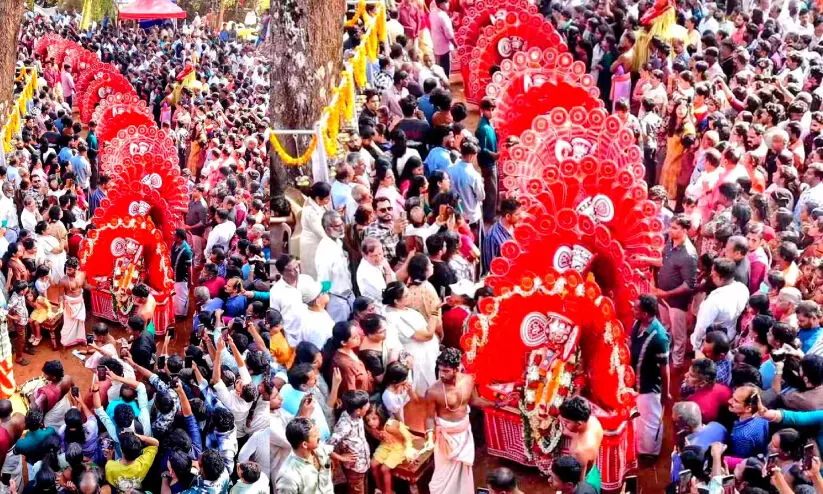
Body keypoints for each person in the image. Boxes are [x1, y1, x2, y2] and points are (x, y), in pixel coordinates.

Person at [425, 347, 487, 494]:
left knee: (463, 470)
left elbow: (475, 400)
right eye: (440, 370)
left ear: (457, 368)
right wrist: (429, 435)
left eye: (446, 371)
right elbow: (428, 417)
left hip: (464, 433)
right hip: (445, 439)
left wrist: (495, 404)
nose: (441, 375)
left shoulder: (469, 380)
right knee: (441, 477)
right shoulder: (433, 391)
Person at [651, 215, 697, 368]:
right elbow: (664, 262)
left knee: (679, 336)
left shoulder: (689, 254)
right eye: (670, 226)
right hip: (662, 297)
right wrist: (645, 259)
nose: (670, 230)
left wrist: (665, 294)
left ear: (684, 230)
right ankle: (666, 354)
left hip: (677, 302)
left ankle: (677, 364)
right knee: (665, 326)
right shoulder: (670, 242)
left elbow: (688, 285)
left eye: (675, 228)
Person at [630, 294, 671, 457]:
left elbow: (664, 368)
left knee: (651, 422)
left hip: (650, 386)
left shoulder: (660, 337)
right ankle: (642, 448)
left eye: (636, 309)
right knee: (639, 419)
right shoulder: (637, 324)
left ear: (646, 314)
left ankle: (651, 452)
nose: (632, 310)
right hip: (637, 383)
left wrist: (665, 393)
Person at [692, 257, 750, 348]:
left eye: (713, 274)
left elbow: (701, 327)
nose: (711, 275)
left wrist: (696, 345)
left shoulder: (715, 300)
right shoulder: (743, 289)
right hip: (731, 336)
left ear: (721, 278)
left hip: (714, 344)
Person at [327, 391, 371, 494]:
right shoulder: (345, 425)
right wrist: (341, 458)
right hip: (354, 469)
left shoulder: (356, 415)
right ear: (358, 410)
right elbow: (326, 447)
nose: (369, 405)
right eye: (366, 404)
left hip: (363, 465)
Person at [275, 417, 334, 494]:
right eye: (315, 436)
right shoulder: (288, 476)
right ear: (305, 444)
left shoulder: (320, 449)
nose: (320, 437)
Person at [314, 210, 354, 322]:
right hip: (335, 300)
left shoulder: (339, 242)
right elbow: (323, 279)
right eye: (337, 226)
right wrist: (324, 303)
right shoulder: (324, 250)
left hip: (348, 295)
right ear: (327, 229)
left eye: (342, 224)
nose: (342, 228)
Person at [558, 396, 603, 492]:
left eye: (566, 422)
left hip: (585, 484)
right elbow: (577, 433)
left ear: (579, 424)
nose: (564, 424)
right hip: (594, 473)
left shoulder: (578, 451)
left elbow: (578, 483)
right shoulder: (592, 421)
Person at [482, 197, 521, 274]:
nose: (520, 217)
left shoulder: (515, 226)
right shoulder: (493, 237)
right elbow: (491, 267)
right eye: (517, 214)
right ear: (508, 216)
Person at [58, 257, 86, 348]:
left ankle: (80, 339)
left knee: (80, 323)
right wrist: (61, 306)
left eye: (70, 269)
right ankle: (66, 342)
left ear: (76, 268)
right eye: (66, 268)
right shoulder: (63, 280)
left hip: (80, 303)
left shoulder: (82, 275)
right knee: (68, 325)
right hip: (69, 305)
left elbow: (85, 286)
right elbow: (61, 295)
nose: (67, 271)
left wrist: (97, 286)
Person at [171, 228, 193, 319]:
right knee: (176, 296)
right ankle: (177, 312)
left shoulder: (187, 250)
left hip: (182, 277)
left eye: (174, 235)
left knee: (182, 296)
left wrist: (190, 281)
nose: (172, 236)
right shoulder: (175, 244)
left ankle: (182, 314)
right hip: (175, 275)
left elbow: (189, 267)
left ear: (179, 238)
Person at [429, 0, 455, 76]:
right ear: (440, 4)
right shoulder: (442, 16)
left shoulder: (433, 12)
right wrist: (456, 45)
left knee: (439, 68)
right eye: (446, 2)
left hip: (437, 45)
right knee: (445, 70)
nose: (448, 4)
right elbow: (449, 35)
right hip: (445, 48)